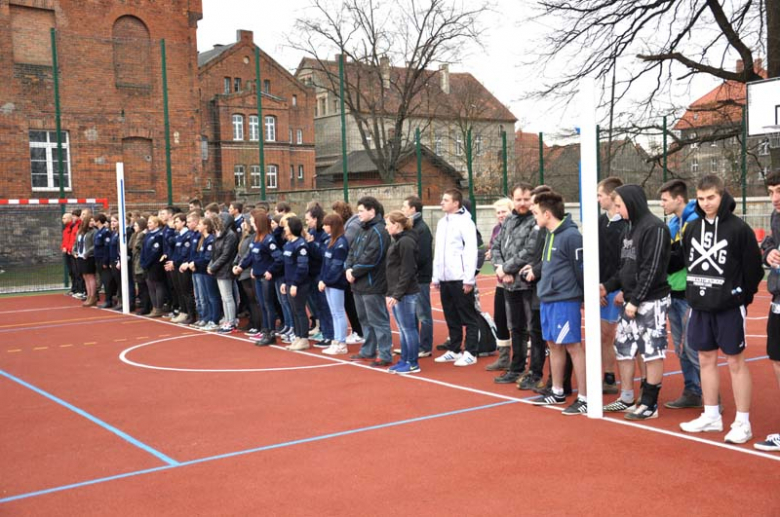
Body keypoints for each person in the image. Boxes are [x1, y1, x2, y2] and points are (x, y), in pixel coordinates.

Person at [679, 175, 763, 444]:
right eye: (701, 199)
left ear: (722, 195)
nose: (706, 204)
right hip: (700, 305)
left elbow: (753, 271)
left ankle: (743, 422)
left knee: (735, 361)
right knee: (705, 358)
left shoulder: (739, 229)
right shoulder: (691, 228)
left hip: (729, 306)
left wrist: (740, 297)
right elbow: (687, 263)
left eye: (711, 197)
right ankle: (711, 415)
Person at [600, 184, 671, 420]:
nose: (618, 210)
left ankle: (650, 403)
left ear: (631, 203)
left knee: (652, 351)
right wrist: (608, 286)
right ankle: (627, 397)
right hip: (631, 301)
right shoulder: (628, 230)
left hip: (652, 301)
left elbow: (652, 269)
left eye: (620, 205)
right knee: (623, 349)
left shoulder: (655, 228)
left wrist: (636, 299)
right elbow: (625, 269)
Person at [528, 191, 587, 416]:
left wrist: (583, 297)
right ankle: (557, 390)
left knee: (573, 346)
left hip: (565, 300)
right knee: (553, 344)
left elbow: (580, 268)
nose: (534, 218)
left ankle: (584, 397)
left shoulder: (571, 236)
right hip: (548, 299)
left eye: (536, 213)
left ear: (547, 213)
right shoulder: (549, 234)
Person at [659, 179, 703, 409]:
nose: (662, 204)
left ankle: (711, 398)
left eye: (665, 199)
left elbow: (681, 257)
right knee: (681, 347)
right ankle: (692, 391)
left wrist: (664, 259)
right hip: (674, 291)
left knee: (694, 347)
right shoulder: (675, 222)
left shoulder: (694, 221)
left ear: (678, 198)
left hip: (689, 293)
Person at [490, 183, 537, 384]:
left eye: (526, 199)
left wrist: (507, 269)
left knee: (533, 330)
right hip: (509, 284)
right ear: (513, 200)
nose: (522, 203)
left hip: (527, 285)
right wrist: (501, 269)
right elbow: (496, 246)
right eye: (519, 199)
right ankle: (516, 368)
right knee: (515, 328)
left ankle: (535, 372)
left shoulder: (535, 221)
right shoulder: (509, 220)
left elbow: (529, 251)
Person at [432, 189, 481, 367]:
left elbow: (470, 251)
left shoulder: (466, 222)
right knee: (450, 315)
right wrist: (436, 276)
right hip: (445, 278)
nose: (441, 203)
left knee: (468, 316)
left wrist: (469, 279)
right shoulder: (442, 222)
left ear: (456, 203)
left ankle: (471, 351)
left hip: (460, 278)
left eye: (445, 200)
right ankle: (454, 349)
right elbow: (438, 251)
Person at [345, 196, 393, 367]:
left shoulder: (380, 231)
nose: (358, 215)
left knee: (378, 320)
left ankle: (385, 353)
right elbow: (352, 251)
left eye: (361, 211)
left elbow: (372, 257)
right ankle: (368, 349)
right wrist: (348, 268)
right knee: (364, 319)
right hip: (359, 284)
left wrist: (354, 271)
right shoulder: (362, 229)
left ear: (372, 211)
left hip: (373, 284)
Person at [596, 177, 629, 395]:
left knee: (629, 337)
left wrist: (626, 290)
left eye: (600, 195)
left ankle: (642, 383)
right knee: (604, 334)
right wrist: (598, 287)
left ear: (611, 195)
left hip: (624, 287)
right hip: (604, 287)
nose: (597, 199)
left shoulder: (628, 224)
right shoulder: (598, 222)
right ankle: (609, 377)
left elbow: (631, 261)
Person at [757, 170, 780, 452]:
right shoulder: (776, 215)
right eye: (772, 191)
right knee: (776, 359)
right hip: (778, 296)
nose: (775, 198)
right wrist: (768, 252)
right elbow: (770, 242)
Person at [235, 209, 282, 346]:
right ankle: (265, 330)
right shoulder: (256, 238)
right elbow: (250, 256)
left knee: (268, 305)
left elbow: (278, 258)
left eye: (254, 222)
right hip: (257, 276)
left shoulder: (268, 239)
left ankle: (270, 333)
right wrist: (241, 266)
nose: (252, 224)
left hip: (265, 277)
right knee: (262, 305)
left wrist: (270, 270)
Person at [385, 210, 421, 374]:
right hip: (398, 292)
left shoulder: (406, 242)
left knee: (408, 328)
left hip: (406, 293)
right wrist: (390, 293)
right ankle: (405, 359)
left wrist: (397, 294)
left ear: (396, 225)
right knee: (403, 328)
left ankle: (412, 363)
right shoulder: (398, 241)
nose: (386, 228)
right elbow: (393, 270)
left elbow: (407, 271)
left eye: (388, 224)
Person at [401, 195, 434, 358]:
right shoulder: (411, 227)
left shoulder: (422, 229)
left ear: (413, 209)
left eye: (404, 206)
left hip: (420, 277)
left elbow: (421, 255)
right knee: (411, 313)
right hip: (412, 277)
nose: (402, 209)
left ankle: (425, 346)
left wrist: (408, 268)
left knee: (423, 313)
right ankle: (412, 344)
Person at [484, 198, 513, 371]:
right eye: (498, 212)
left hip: (515, 281)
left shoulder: (517, 229)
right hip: (500, 281)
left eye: (504, 211)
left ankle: (521, 359)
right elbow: (495, 250)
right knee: (500, 318)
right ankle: (503, 356)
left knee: (517, 321)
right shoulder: (496, 229)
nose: (501, 215)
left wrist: (508, 268)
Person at [333, 200, 364, 345]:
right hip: (350, 267)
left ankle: (359, 331)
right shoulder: (350, 225)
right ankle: (358, 330)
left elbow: (347, 246)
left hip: (351, 269)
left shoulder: (351, 227)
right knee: (350, 302)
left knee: (350, 302)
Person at [319, 213, 350, 355]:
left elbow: (336, 266)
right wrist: (322, 279)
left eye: (327, 224)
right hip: (329, 282)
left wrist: (326, 280)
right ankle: (336, 341)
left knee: (338, 312)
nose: (324, 227)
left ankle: (341, 342)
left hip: (336, 283)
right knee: (334, 312)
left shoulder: (341, 243)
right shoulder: (331, 241)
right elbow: (326, 264)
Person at [280, 216, 311, 351]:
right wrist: (285, 282)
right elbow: (287, 266)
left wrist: (295, 283)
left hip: (299, 284)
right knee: (293, 310)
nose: (284, 228)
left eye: (286, 226)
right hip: (289, 282)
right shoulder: (288, 244)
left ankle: (304, 338)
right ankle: (298, 336)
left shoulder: (301, 245)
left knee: (300, 310)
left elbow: (302, 267)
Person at [305, 204, 333, 346]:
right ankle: (324, 331)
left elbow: (323, 254)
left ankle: (330, 335)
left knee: (325, 305)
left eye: (308, 219)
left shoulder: (323, 233)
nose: (307, 222)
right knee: (318, 305)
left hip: (321, 274)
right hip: (312, 273)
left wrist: (310, 244)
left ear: (315, 219)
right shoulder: (312, 231)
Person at [208, 215, 239, 333]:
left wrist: (213, 266)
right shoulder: (219, 235)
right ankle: (227, 319)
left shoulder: (230, 235)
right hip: (219, 269)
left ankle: (231, 321)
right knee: (224, 297)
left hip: (225, 269)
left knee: (228, 296)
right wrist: (211, 265)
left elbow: (226, 255)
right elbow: (215, 253)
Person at [189, 216, 220, 330]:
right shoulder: (202, 239)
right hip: (200, 271)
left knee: (212, 296)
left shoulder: (211, 239)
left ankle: (214, 319)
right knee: (204, 296)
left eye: (200, 224)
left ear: (206, 226)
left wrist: (195, 263)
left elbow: (207, 258)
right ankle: (206, 318)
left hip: (207, 271)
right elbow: (198, 255)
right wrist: (194, 263)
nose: (198, 226)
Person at [170, 213, 196, 324]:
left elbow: (185, 253)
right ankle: (183, 311)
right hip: (177, 266)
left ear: (183, 222)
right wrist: (173, 262)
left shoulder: (188, 235)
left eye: (177, 221)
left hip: (184, 266)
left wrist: (176, 262)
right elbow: (176, 251)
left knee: (187, 291)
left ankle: (190, 314)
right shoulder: (178, 235)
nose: (174, 224)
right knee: (180, 290)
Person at [141, 216, 167, 318]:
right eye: (148, 223)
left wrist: (147, 262)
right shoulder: (148, 235)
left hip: (155, 265)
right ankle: (154, 307)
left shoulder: (159, 235)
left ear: (156, 224)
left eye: (151, 222)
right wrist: (143, 262)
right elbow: (143, 249)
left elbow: (155, 252)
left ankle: (159, 308)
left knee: (157, 286)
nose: (148, 224)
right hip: (147, 264)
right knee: (150, 287)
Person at [75, 215, 98, 307]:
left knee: (90, 276)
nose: (92, 223)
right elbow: (76, 243)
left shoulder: (94, 232)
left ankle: (93, 296)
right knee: (85, 276)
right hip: (80, 256)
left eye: (93, 221)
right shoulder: (80, 231)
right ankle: (88, 295)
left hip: (89, 257)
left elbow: (95, 245)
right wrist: (74, 251)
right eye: (90, 221)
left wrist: (87, 253)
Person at [130, 217, 150, 315]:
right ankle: (143, 304)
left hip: (140, 264)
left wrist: (141, 235)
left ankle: (146, 306)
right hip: (135, 263)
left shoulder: (143, 236)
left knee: (143, 287)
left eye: (136, 225)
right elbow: (130, 245)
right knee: (141, 287)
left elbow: (138, 246)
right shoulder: (135, 235)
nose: (134, 227)